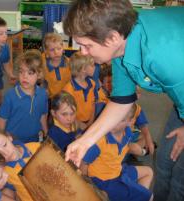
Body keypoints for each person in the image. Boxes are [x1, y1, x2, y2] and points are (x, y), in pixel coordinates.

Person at [63, 1, 184, 200]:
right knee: (163, 164)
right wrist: (85, 141)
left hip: (178, 68)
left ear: (112, 38)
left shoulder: (161, 57)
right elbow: (122, 99)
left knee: (180, 179)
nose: (82, 52)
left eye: (87, 45)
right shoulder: (121, 43)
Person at [80, 107, 153, 201]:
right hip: (104, 181)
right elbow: (84, 163)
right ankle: (133, 194)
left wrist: (139, 150)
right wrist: (88, 185)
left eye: (121, 120)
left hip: (118, 170)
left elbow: (126, 147)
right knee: (149, 196)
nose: (114, 122)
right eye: (114, 117)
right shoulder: (100, 141)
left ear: (130, 122)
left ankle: (133, 194)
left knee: (148, 172)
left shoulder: (128, 133)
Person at [0, 49, 48, 143]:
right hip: (13, 140)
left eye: (30, 73)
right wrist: (1, 137)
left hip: (34, 138)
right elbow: (2, 119)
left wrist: (46, 131)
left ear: (39, 74)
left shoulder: (43, 94)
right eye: (21, 72)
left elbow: (42, 115)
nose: (24, 76)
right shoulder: (10, 96)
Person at [0, 128, 40, 201]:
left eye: (4, 145)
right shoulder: (3, 173)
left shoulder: (37, 147)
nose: (6, 153)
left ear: (9, 137)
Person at [63, 52, 96, 130]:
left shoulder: (92, 84)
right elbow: (67, 112)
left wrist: (90, 122)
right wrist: (80, 124)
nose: (94, 67)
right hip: (73, 124)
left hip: (89, 122)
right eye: (92, 65)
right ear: (83, 69)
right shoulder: (68, 89)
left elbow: (93, 104)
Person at [42, 32, 71, 98]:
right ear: (46, 51)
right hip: (49, 98)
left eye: (59, 49)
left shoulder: (69, 63)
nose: (56, 52)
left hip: (66, 97)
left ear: (63, 49)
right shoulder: (43, 64)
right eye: (52, 50)